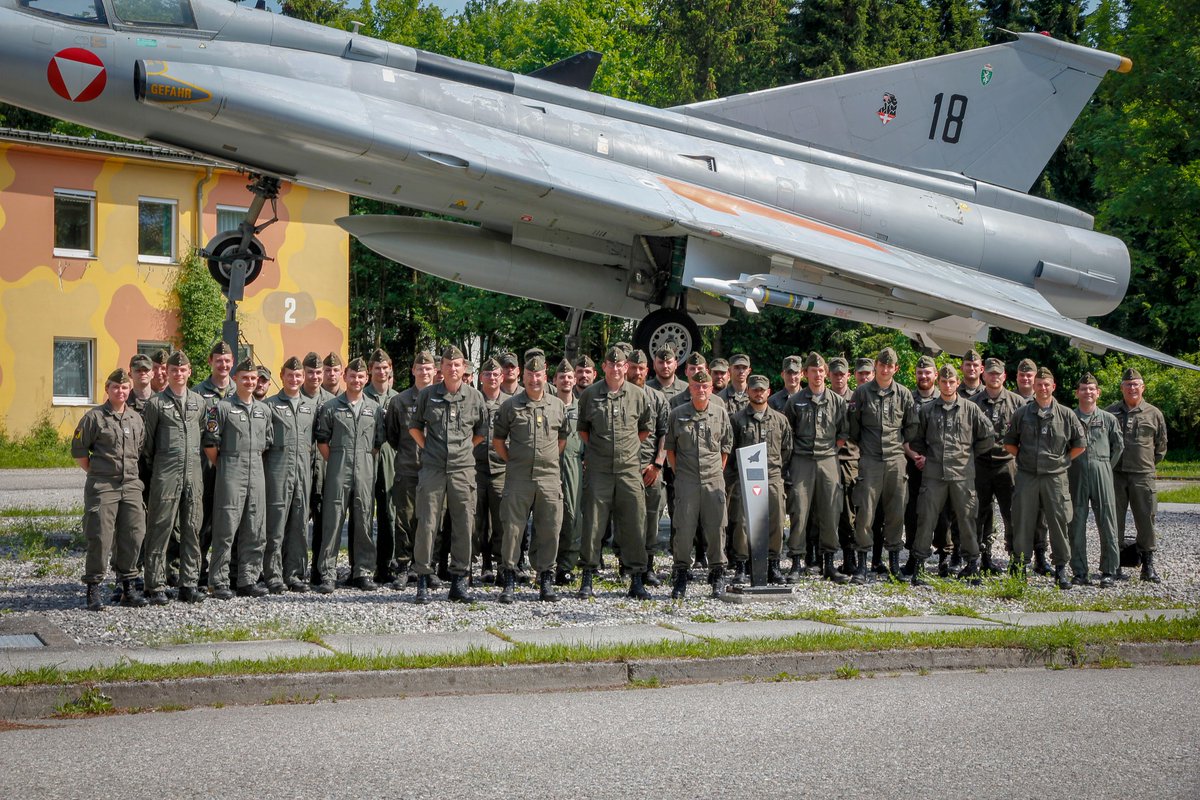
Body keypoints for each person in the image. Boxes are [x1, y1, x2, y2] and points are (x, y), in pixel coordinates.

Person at [409, 346, 488, 603]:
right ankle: (422, 578)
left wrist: (464, 449)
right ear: (440, 368)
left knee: (464, 524)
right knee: (428, 523)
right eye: (448, 365)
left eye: (457, 365)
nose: (453, 369)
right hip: (433, 468)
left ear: (463, 368)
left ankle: (459, 581)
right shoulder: (428, 395)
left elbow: (481, 431)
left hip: (462, 469)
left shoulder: (475, 397)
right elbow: (414, 427)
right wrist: (429, 448)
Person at [492, 352, 571, 602]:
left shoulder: (557, 405)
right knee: (513, 529)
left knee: (549, 528)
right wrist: (515, 461)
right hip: (518, 477)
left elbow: (562, 439)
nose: (534, 379)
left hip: (548, 477)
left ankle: (545, 579)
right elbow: (498, 441)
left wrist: (545, 460)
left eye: (538, 375)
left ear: (544, 375)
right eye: (529, 375)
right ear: (523, 376)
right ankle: (510, 579)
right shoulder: (510, 406)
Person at [577, 346, 653, 599]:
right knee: (593, 524)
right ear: (605, 367)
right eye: (612, 364)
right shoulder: (590, 394)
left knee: (633, 523)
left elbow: (644, 429)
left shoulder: (637, 395)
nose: (617, 369)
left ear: (626, 368)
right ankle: (588, 575)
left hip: (629, 470)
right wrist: (600, 452)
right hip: (599, 470)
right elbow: (583, 431)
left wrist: (627, 450)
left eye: (621, 365)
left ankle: (636, 578)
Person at [907, 365, 993, 585]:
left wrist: (970, 455)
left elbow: (987, 436)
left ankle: (973, 564)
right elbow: (916, 440)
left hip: (962, 474)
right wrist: (928, 457)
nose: (947, 385)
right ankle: (919, 566)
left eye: (951, 381)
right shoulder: (927, 411)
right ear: (939, 384)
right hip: (934, 475)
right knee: (926, 519)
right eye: (943, 382)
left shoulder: (970, 409)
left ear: (957, 383)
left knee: (966, 520)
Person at [1002, 366, 1086, 588]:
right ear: (1034, 387)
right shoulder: (1022, 413)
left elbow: (1080, 444)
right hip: (1027, 476)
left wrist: (1064, 461)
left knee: (1058, 522)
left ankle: (1061, 569)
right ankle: (1020, 565)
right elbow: (1009, 442)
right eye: (1039, 384)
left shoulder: (1067, 414)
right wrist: (1025, 458)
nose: (1042, 388)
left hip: (1055, 477)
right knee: (1022, 521)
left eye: (1046, 384)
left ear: (1053, 386)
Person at [72, 368, 148, 610]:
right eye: (116, 387)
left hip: (131, 485)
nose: (121, 391)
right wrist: (98, 473)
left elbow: (140, 448)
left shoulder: (136, 418)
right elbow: (80, 451)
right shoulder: (94, 418)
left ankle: (127, 587)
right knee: (100, 537)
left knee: (134, 535)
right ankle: (93, 588)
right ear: (107, 389)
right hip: (104, 484)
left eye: (125, 387)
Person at [202, 358, 274, 599]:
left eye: (254, 378)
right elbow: (210, 444)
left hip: (256, 469)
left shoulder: (264, 410)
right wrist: (225, 465)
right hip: (230, 468)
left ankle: (247, 579)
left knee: (255, 527)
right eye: (245, 377)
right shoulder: (222, 408)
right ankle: (219, 581)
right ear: (235, 379)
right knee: (226, 527)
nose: (250, 382)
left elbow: (267, 444)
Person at [314, 357, 385, 593]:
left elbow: (377, 443)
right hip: (338, 469)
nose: (356, 380)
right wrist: (337, 460)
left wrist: (362, 459)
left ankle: (362, 571)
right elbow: (322, 440)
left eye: (361, 376)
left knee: (364, 519)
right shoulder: (331, 407)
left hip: (364, 470)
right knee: (332, 520)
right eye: (352, 376)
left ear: (366, 379)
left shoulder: (374, 409)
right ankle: (328, 572)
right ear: (345, 377)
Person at [141, 351, 207, 605]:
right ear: (166, 373)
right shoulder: (156, 404)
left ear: (189, 372)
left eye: (183, 370)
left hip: (193, 475)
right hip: (166, 475)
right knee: (160, 528)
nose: (178, 374)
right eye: (173, 370)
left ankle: (188, 583)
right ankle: (155, 584)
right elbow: (147, 446)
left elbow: (201, 436)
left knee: (192, 528)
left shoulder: (198, 402)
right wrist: (158, 470)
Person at [848, 346, 918, 582]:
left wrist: (898, 446)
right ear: (876, 366)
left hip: (896, 460)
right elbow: (854, 428)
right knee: (865, 512)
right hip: (870, 460)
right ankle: (862, 566)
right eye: (882, 364)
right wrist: (866, 449)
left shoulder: (904, 394)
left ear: (895, 368)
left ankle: (894, 564)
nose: (885, 369)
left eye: (890, 366)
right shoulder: (861, 393)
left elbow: (911, 427)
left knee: (896, 511)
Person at [665, 368, 733, 598]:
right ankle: (681, 573)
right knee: (683, 529)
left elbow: (725, 447)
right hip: (686, 480)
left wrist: (716, 472)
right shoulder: (677, 414)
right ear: (690, 388)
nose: (701, 390)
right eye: (696, 386)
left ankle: (717, 573)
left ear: (711, 389)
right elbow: (670, 450)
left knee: (716, 528)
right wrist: (681, 474)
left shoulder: (720, 413)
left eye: (705, 386)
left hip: (714, 479)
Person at [784, 353, 850, 584]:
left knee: (831, 511)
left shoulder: (837, 401)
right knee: (799, 511)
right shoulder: (795, 401)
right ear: (806, 374)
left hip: (828, 459)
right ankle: (796, 563)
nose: (818, 375)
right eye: (814, 371)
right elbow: (787, 432)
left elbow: (843, 432)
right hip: (802, 460)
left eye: (821, 371)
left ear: (826, 374)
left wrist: (832, 449)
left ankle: (829, 563)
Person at [262, 356, 318, 594]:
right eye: (290, 375)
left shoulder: (310, 407)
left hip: (302, 471)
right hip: (278, 470)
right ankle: (273, 574)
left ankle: (294, 573)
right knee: (276, 524)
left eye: (298, 376)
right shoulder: (270, 406)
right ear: (282, 376)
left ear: (303, 377)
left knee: (299, 523)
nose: (294, 379)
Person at [1106, 367, 1168, 582]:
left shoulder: (1153, 413)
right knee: (1114, 520)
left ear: (1142, 387)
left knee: (1146, 519)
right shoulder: (1110, 412)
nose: (1132, 388)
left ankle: (1148, 565)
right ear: (1122, 388)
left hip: (1143, 475)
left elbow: (1161, 446)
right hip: (1117, 474)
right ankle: (1114, 564)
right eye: (1128, 385)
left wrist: (1148, 464)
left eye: (1135, 384)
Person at [729, 373, 791, 584]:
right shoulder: (736, 420)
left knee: (775, 521)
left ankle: (773, 564)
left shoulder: (780, 420)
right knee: (742, 523)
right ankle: (742, 565)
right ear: (748, 392)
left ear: (768, 392)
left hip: (772, 476)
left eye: (762, 390)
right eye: (754, 389)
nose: (758, 393)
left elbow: (786, 450)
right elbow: (730, 449)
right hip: (745, 477)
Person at [385, 350, 438, 587]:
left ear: (435, 371)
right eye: (420, 368)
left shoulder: (441, 398)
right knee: (404, 519)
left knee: (431, 519)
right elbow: (393, 436)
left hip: (434, 470)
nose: (424, 372)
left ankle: (427, 567)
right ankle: (404, 566)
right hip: (407, 469)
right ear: (413, 371)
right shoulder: (399, 401)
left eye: (428, 369)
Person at [969, 358, 1024, 572]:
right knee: (979, 514)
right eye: (990, 373)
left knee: (1011, 514)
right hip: (980, 465)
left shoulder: (1017, 402)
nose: (994, 377)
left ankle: (1015, 559)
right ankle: (981, 558)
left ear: (1004, 376)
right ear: (984, 376)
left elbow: (1024, 436)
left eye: (997, 374)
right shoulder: (973, 403)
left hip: (1007, 465)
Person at [1069, 373, 1124, 587]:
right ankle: (1079, 571)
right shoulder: (1070, 417)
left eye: (1091, 388)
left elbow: (1118, 447)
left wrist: (1106, 468)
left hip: (1102, 471)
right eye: (1083, 388)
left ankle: (1109, 570)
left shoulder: (1108, 419)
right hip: (1076, 473)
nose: (1088, 392)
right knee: (1076, 523)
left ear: (1098, 393)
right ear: (1077, 393)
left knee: (1108, 523)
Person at [625, 349, 669, 586]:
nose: (638, 372)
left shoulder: (657, 398)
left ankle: (648, 566)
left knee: (651, 518)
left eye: (641, 368)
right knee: (626, 518)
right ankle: (627, 565)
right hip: (624, 467)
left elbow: (664, 433)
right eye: (634, 367)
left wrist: (658, 464)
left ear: (647, 370)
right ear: (626, 368)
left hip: (650, 468)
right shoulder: (619, 395)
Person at [194, 340, 234, 584]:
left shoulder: (240, 391)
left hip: (232, 467)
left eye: (227, 361)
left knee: (230, 520)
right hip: (205, 466)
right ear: (210, 362)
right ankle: (198, 569)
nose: (223, 364)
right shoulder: (198, 393)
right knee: (203, 520)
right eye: (219, 360)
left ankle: (229, 570)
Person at [364, 349, 399, 584]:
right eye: (377, 368)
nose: (381, 371)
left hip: (391, 457)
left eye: (385, 367)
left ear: (390, 369)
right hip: (366, 457)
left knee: (389, 511)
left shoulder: (398, 399)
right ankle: (363, 566)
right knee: (363, 512)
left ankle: (387, 565)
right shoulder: (359, 396)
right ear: (370, 370)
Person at [301, 351, 336, 584]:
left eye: (318, 372)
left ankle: (320, 570)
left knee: (324, 520)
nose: (315, 376)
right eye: (310, 372)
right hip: (301, 468)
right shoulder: (295, 396)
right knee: (297, 520)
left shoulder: (331, 402)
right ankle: (293, 570)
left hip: (324, 468)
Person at [475, 356, 510, 583]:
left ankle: (501, 565)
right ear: (481, 378)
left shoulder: (510, 403)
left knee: (501, 519)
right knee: (477, 520)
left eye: (496, 374)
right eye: (487, 374)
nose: (492, 378)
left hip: (501, 468)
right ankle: (483, 563)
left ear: (502, 377)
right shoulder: (472, 400)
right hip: (475, 467)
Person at [553, 358, 585, 584]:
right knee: (547, 518)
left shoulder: (583, 408)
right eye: (561, 376)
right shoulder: (547, 405)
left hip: (573, 464)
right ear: (554, 381)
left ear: (574, 381)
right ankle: (543, 564)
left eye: (569, 377)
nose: (566, 380)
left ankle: (566, 565)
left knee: (573, 515)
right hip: (549, 465)